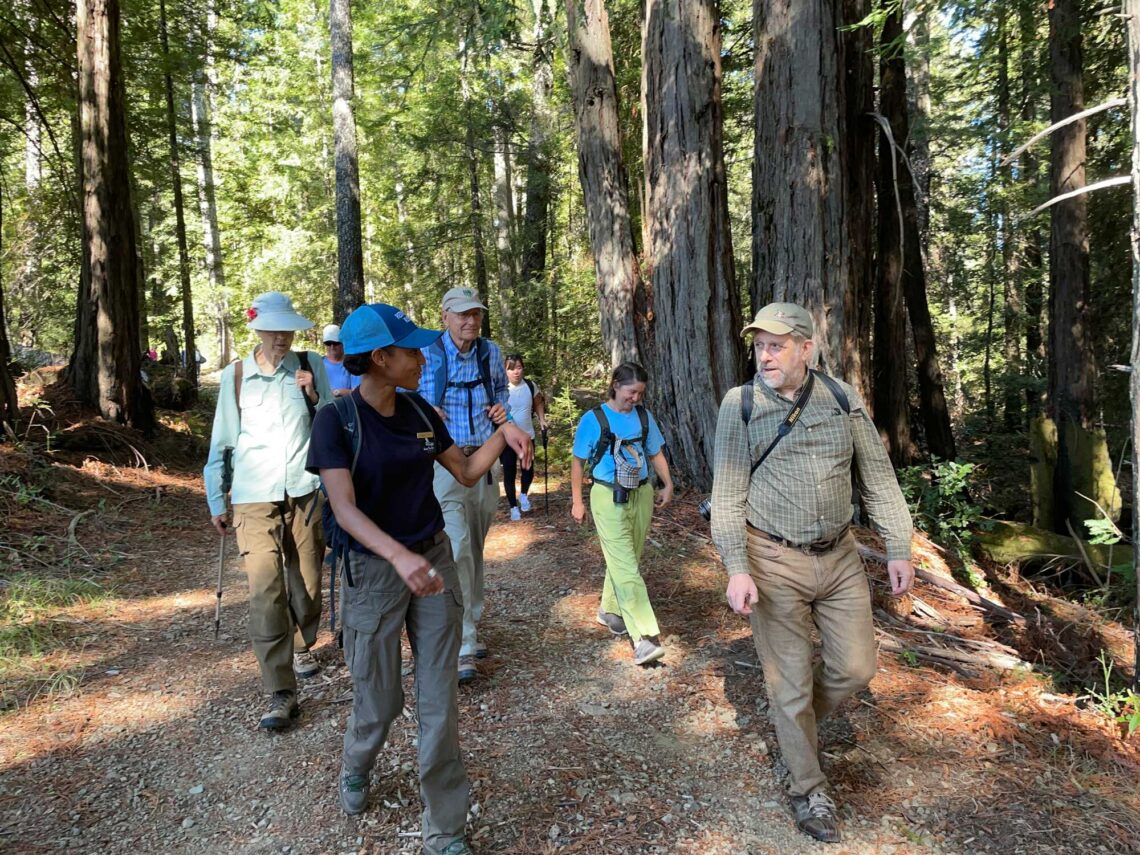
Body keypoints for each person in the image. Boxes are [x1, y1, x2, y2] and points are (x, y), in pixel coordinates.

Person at [307, 303, 531, 853]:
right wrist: (398, 558)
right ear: (380, 359)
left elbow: (467, 470)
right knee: (379, 700)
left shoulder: (419, 410)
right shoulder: (336, 421)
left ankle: (444, 826)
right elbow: (344, 508)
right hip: (375, 573)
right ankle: (358, 762)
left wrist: (509, 435)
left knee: (438, 699)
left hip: (433, 558)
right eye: (410, 349)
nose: (420, 355)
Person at [710, 302, 915, 843]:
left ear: (806, 347)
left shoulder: (841, 399)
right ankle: (808, 787)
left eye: (776, 345)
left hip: (841, 557)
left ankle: (795, 726)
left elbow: (879, 477)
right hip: (772, 560)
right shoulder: (742, 404)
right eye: (759, 345)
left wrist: (898, 546)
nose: (765, 355)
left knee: (856, 669)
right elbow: (727, 495)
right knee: (791, 685)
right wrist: (736, 567)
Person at [203, 291, 332, 730]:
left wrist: (314, 396)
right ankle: (280, 691)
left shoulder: (310, 366)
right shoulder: (235, 376)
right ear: (256, 329)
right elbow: (222, 441)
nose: (281, 337)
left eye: (287, 329)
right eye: (273, 329)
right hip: (253, 495)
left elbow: (334, 424)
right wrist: (217, 499)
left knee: (309, 581)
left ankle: (301, 642)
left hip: (305, 490)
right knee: (266, 589)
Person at [416, 287, 515, 684]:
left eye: (474, 313)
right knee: (456, 547)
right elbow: (404, 397)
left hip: (485, 460)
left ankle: (471, 623)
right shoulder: (426, 353)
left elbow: (503, 393)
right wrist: (427, 412)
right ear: (444, 316)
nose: (469, 321)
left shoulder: (490, 352)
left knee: (474, 547)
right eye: (461, 314)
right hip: (444, 462)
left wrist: (501, 409)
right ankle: (462, 643)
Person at [570, 362, 674, 666]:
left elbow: (654, 452)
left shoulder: (643, 416)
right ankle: (643, 638)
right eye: (631, 392)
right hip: (607, 496)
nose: (636, 398)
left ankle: (610, 610)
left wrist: (667, 483)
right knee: (626, 566)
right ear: (615, 385)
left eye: (640, 393)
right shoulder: (594, 419)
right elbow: (578, 462)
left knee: (629, 557)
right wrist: (578, 501)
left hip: (641, 494)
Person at [501, 353, 547, 521]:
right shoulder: (501, 388)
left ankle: (524, 495)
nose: (515, 372)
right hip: (508, 439)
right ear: (505, 370)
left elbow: (538, 402)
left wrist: (542, 419)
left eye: (519, 368)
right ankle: (513, 506)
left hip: (528, 435)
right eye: (511, 369)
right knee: (509, 471)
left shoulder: (530, 385)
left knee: (528, 469)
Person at [322, 323, 361, 398]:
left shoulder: (352, 364)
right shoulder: (319, 363)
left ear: (343, 343)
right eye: (328, 343)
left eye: (336, 343)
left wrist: (338, 392)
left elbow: (358, 393)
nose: (332, 347)